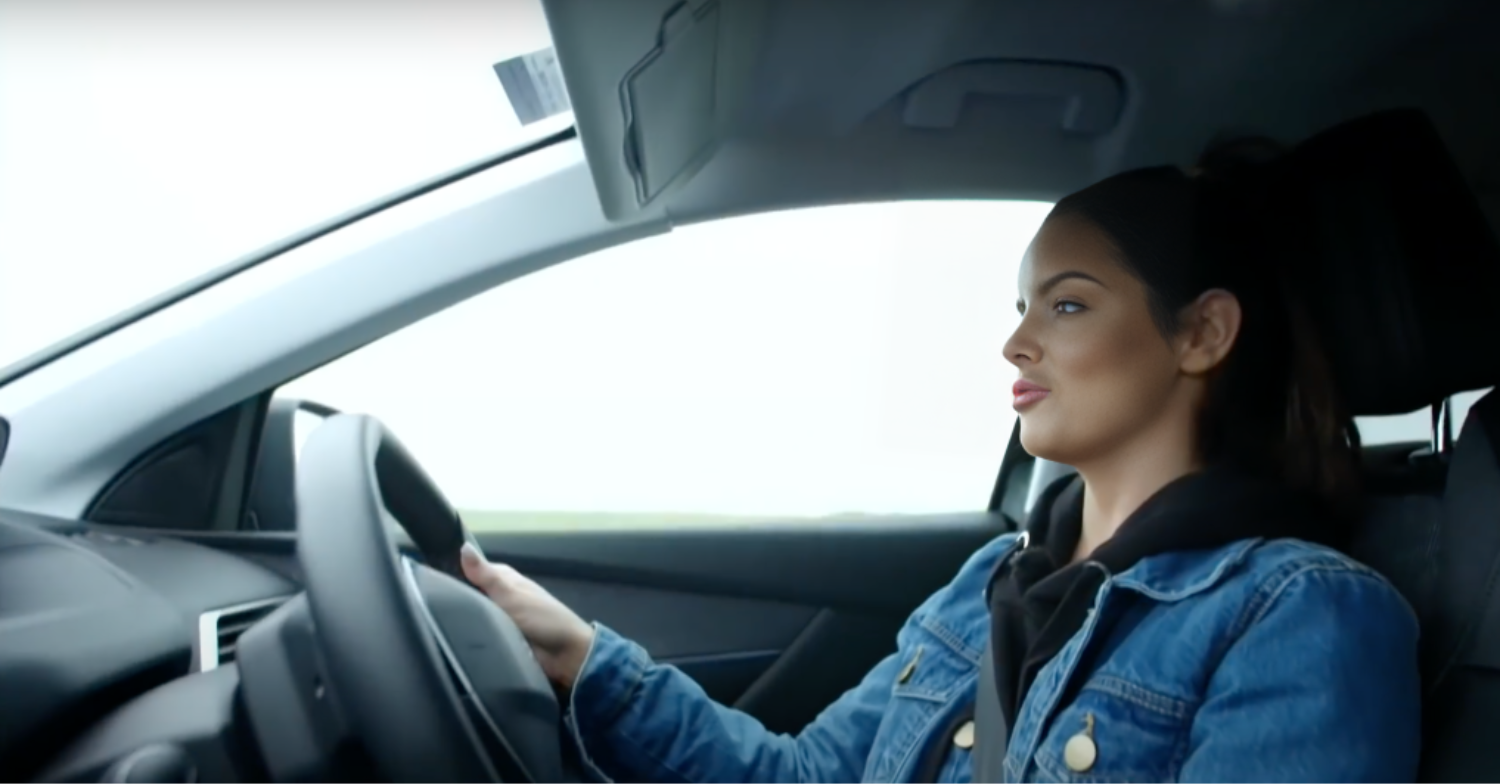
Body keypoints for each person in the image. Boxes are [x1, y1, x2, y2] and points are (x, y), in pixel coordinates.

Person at [459, 144, 1422, 782]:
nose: (1017, 345)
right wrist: (579, 654)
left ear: (1202, 333)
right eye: (1020, 309)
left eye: (1069, 305)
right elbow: (799, 779)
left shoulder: (1298, 611)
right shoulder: (991, 584)